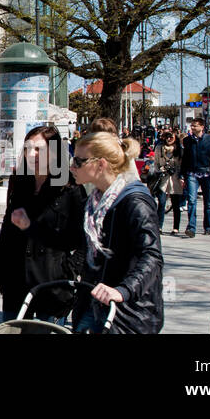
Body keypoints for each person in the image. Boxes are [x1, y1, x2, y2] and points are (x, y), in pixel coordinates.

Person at [69, 132, 163, 333]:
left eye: (78, 161)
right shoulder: (92, 203)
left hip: (128, 311)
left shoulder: (135, 201)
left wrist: (123, 291)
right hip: (92, 303)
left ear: (101, 164)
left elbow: (152, 256)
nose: (72, 166)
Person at [0, 125, 85, 323]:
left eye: (38, 149)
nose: (31, 154)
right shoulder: (20, 182)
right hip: (15, 282)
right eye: (27, 148)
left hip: (52, 285)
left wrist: (68, 270)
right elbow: (8, 226)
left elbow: (82, 239)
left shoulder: (70, 187)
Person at [179, 117, 210, 237]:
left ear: (202, 127)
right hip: (192, 173)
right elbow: (185, 159)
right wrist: (182, 176)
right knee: (191, 201)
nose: (192, 128)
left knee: (208, 202)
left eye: (195, 125)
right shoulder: (187, 140)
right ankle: (191, 227)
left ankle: (208, 226)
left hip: (206, 173)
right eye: (192, 125)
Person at [152, 131, 185, 235]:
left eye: (171, 137)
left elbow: (182, 164)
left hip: (175, 178)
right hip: (163, 178)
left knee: (176, 204)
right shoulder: (159, 148)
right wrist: (160, 170)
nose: (169, 139)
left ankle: (176, 227)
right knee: (161, 203)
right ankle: (159, 226)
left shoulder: (179, 149)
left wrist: (181, 176)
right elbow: (156, 163)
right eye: (167, 137)